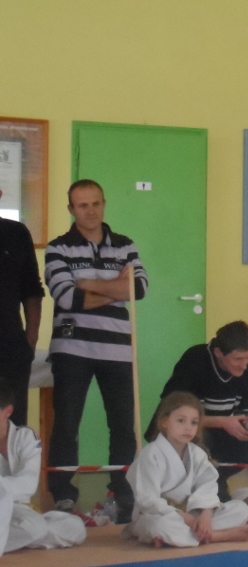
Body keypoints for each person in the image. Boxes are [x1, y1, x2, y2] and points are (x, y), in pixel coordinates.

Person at [45, 179, 148, 522]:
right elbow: (66, 297)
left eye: (96, 203)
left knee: (123, 427)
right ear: (71, 209)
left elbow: (139, 289)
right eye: (82, 205)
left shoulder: (124, 245)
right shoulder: (58, 248)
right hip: (71, 348)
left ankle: (123, 494)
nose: (90, 211)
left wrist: (88, 283)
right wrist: (116, 287)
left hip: (117, 350)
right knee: (66, 425)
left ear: (104, 204)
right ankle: (63, 496)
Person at [150, 321, 248, 502]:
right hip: (186, 431)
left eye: (247, 358)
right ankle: (203, 490)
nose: (244, 365)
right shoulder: (195, 360)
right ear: (218, 353)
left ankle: (217, 480)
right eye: (237, 359)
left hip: (219, 432)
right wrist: (223, 422)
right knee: (201, 440)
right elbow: (175, 416)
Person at [124, 391, 248, 548]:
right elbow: (148, 500)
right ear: (165, 421)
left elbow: (207, 488)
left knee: (241, 509)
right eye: (181, 421)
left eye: (194, 422)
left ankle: (188, 536)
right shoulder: (150, 454)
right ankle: (216, 536)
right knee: (159, 526)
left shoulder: (197, 454)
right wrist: (187, 519)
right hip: (160, 515)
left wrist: (205, 516)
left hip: (193, 514)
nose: (188, 428)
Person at [0, 379, 86, 555]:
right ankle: (20, 538)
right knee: (34, 527)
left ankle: (16, 539)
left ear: (8, 411)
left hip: (17, 510)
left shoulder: (25, 437)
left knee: (74, 527)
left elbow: (28, 484)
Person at [0, 189, 44, 427]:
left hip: (10, 348)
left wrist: (31, 340)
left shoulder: (16, 233)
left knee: (13, 426)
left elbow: (32, 290)